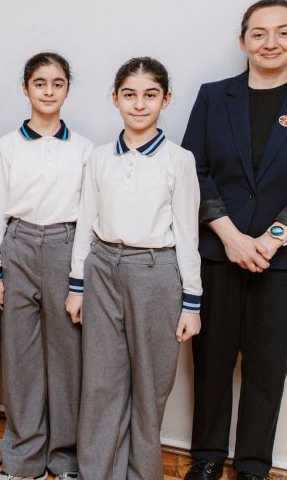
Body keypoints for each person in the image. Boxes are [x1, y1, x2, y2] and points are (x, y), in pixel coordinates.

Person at [181, 0, 287, 480]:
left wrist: (273, 239)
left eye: (282, 32)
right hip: (219, 252)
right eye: (259, 33)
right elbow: (194, 169)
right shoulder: (214, 97)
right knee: (211, 361)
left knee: (268, 364)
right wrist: (231, 236)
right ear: (243, 41)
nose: (270, 43)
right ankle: (207, 457)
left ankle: (253, 465)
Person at [66, 57, 202, 480]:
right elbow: (86, 222)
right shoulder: (99, 157)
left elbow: (188, 233)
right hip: (103, 269)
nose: (139, 104)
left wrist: (192, 303)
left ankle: (142, 473)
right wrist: (76, 286)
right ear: (115, 99)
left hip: (155, 273)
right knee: (101, 380)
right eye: (129, 95)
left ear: (166, 99)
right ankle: (96, 471)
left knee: (150, 383)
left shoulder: (179, 160)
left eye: (150, 95)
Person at [0, 53, 93, 480]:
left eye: (57, 83)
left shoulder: (83, 149)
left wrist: (78, 280)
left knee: (67, 359)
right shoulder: (7, 147)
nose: (49, 91)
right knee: (21, 357)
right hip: (19, 246)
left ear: (68, 90)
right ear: (25, 88)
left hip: (65, 246)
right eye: (40, 83)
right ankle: (22, 460)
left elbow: (88, 219)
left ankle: (65, 459)